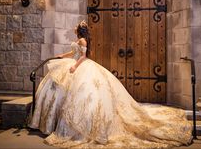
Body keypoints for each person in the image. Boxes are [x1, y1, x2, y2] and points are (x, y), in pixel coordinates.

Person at [29, 20, 192, 149]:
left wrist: (74, 66)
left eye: (75, 29)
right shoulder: (78, 40)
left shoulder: (83, 40)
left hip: (80, 66)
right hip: (74, 63)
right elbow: (73, 52)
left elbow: (83, 57)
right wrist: (61, 55)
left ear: (79, 31)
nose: (74, 30)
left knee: (85, 94)